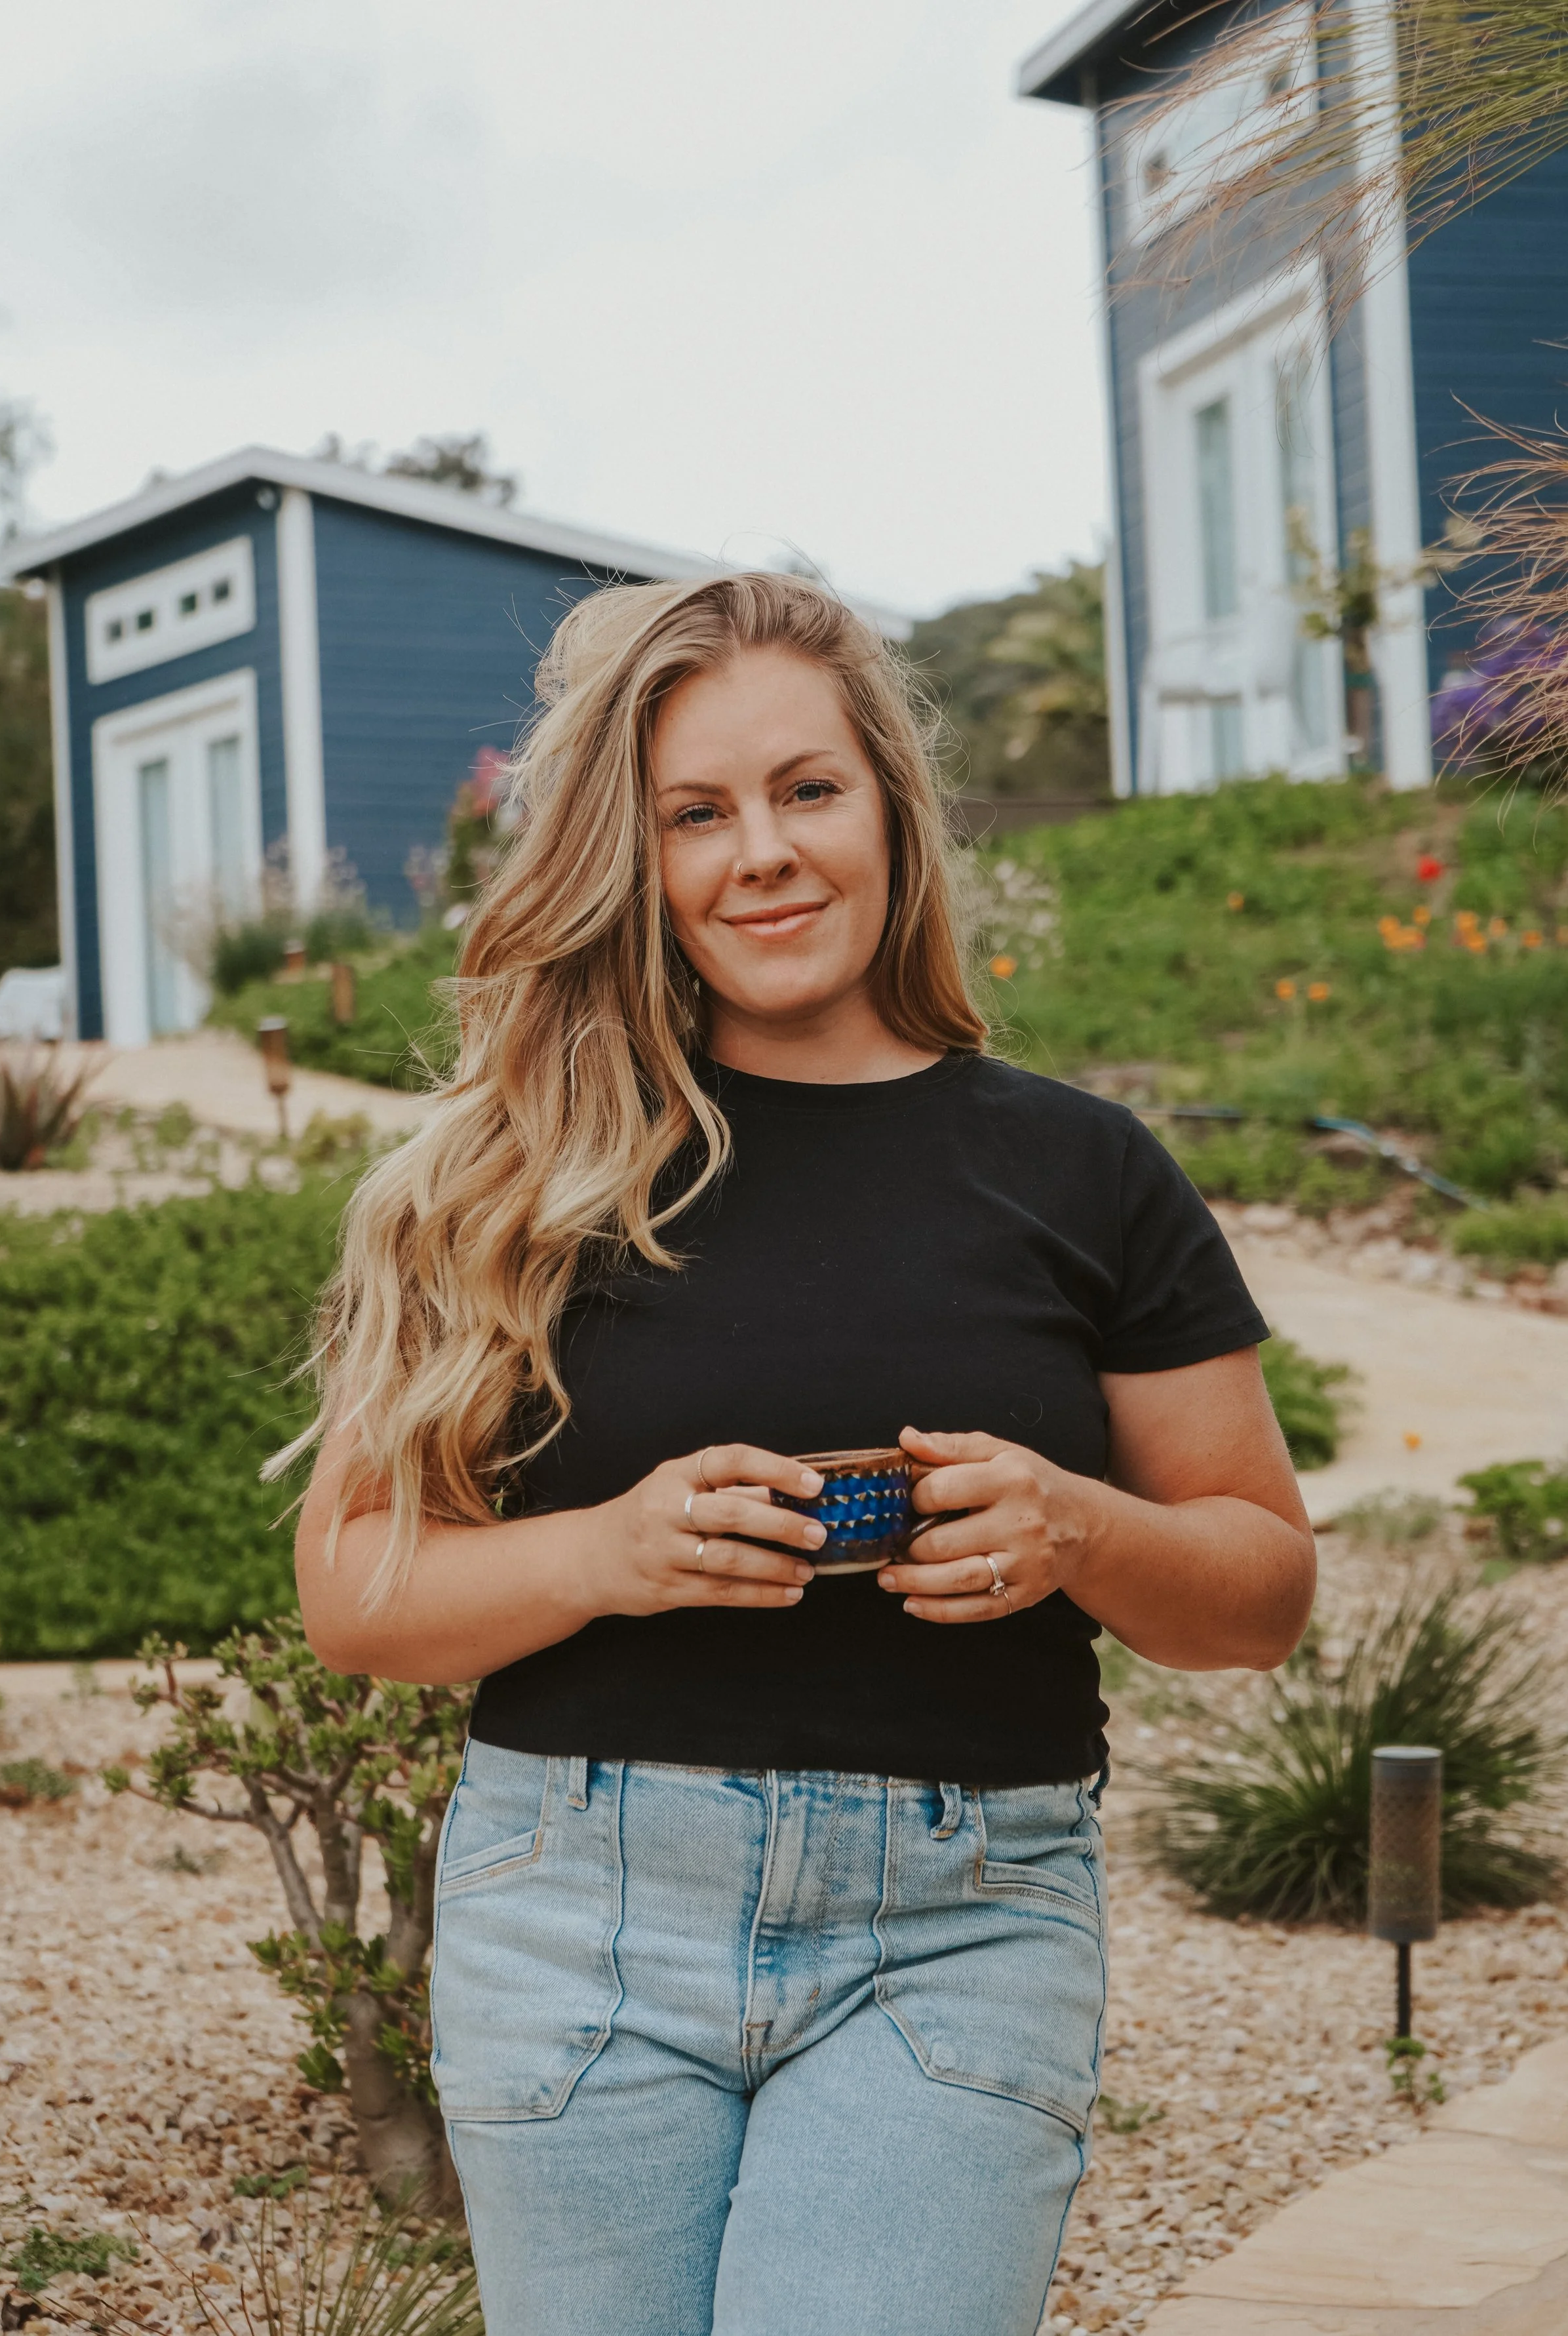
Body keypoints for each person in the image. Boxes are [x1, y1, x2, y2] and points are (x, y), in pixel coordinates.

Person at [286, 572, 1315, 2336]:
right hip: (576, 1917)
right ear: (632, 860)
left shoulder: (1085, 1174)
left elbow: (1261, 1590)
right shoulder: (503, 1179)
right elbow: (354, 1597)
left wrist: (1076, 1530)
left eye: (807, 790)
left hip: (961, 1928)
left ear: (892, 812)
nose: (760, 854)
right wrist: (608, 1553)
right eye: (695, 813)